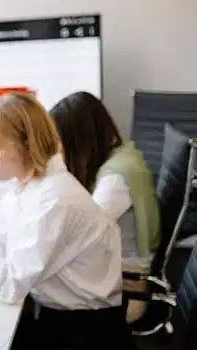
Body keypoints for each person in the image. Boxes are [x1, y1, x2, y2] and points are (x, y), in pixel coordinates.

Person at [0, 93, 136, 349]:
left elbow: (8, 287)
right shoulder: (28, 186)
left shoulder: (55, 200)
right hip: (57, 317)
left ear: (25, 144)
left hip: (87, 333)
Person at [49, 91, 160, 323]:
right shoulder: (119, 156)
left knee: (34, 285)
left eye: (59, 140)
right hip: (110, 277)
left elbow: (78, 233)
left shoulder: (115, 181)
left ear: (79, 139)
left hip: (125, 291)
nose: (57, 149)